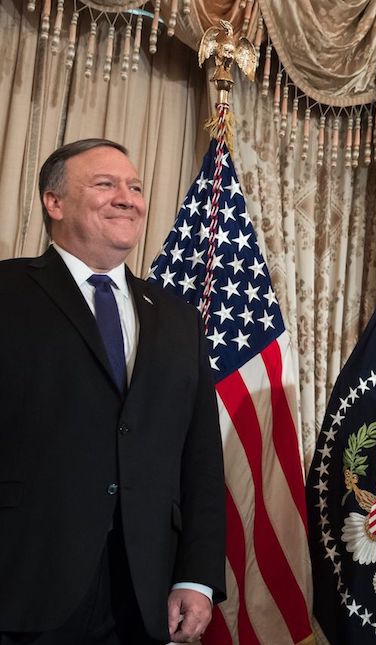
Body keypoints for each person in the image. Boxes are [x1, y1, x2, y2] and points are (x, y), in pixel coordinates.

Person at [0, 139, 225, 644]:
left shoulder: (178, 319)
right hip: (22, 583)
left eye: (136, 186)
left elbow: (201, 460)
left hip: (143, 595)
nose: (127, 197)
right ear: (53, 202)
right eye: (105, 184)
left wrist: (197, 576)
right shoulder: (7, 293)